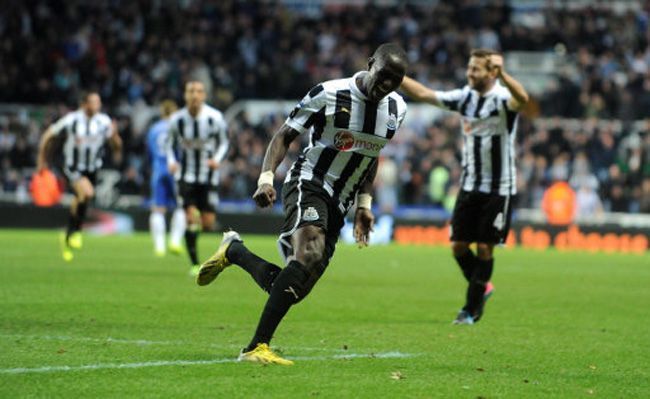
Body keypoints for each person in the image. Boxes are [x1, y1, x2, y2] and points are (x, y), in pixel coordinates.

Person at [197, 43, 408, 365]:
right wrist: (266, 177)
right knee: (308, 253)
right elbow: (284, 135)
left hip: (341, 202)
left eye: (396, 80)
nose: (387, 85)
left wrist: (364, 204)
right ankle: (256, 347)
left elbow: (371, 154)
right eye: (384, 75)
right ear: (370, 64)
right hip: (308, 182)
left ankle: (234, 251)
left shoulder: (397, 109)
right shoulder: (329, 93)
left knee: (293, 286)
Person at [400, 49, 529, 324]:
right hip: (470, 185)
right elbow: (424, 94)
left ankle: (469, 310)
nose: (470, 73)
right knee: (458, 246)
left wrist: (504, 74)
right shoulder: (464, 97)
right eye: (469, 68)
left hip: (498, 188)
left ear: (490, 73)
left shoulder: (503, 100)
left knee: (484, 248)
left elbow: (524, 99)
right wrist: (393, 75)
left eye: (476, 70)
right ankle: (483, 286)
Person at [37, 91, 122, 261]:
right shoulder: (72, 120)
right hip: (72, 166)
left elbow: (116, 142)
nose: (97, 105)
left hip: (92, 168)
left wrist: (115, 139)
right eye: (93, 102)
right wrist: (41, 159)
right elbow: (48, 135)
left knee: (81, 198)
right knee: (87, 193)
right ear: (84, 104)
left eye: (98, 102)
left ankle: (68, 234)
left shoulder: (103, 121)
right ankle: (76, 232)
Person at [166, 81, 229, 275]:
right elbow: (169, 144)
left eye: (199, 91)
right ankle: (194, 264)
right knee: (191, 217)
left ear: (204, 95)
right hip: (186, 176)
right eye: (191, 91)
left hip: (208, 176)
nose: (195, 95)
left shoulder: (214, 117)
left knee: (208, 223)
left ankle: (193, 236)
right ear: (185, 95)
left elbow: (224, 143)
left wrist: (217, 159)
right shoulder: (177, 119)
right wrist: (171, 161)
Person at [146, 100, 186, 257]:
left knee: (158, 209)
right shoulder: (178, 127)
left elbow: (149, 153)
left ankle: (159, 246)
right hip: (176, 170)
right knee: (181, 206)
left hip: (158, 170)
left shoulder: (153, 129)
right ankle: (175, 241)